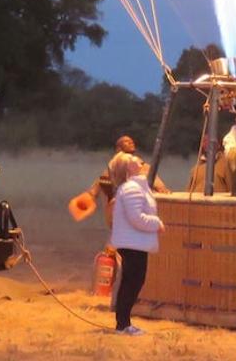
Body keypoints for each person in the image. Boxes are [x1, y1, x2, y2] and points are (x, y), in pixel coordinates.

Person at [109, 150, 164, 335]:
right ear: (128, 168)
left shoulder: (136, 187)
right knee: (133, 282)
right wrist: (157, 223)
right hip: (133, 244)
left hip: (134, 242)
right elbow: (137, 218)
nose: (140, 161)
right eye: (135, 161)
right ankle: (123, 324)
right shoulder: (132, 189)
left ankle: (123, 322)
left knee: (131, 282)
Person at [85, 135, 169, 228]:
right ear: (118, 148)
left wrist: (161, 188)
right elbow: (101, 181)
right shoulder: (118, 163)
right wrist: (91, 195)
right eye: (126, 141)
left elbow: (150, 175)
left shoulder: (139, 164)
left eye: (132, 141)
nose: (131, 142)